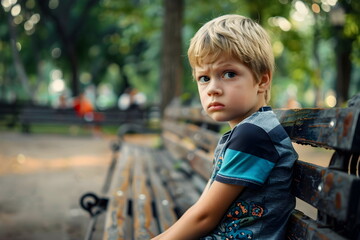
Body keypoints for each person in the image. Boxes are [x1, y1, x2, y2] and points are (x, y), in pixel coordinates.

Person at [152, 14, 298, 240]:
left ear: (262, 80)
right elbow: (203, 207)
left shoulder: (253, 136)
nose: (212, 89)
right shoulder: (249, 130)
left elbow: (204, 217)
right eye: (204, 78)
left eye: (229, 74)